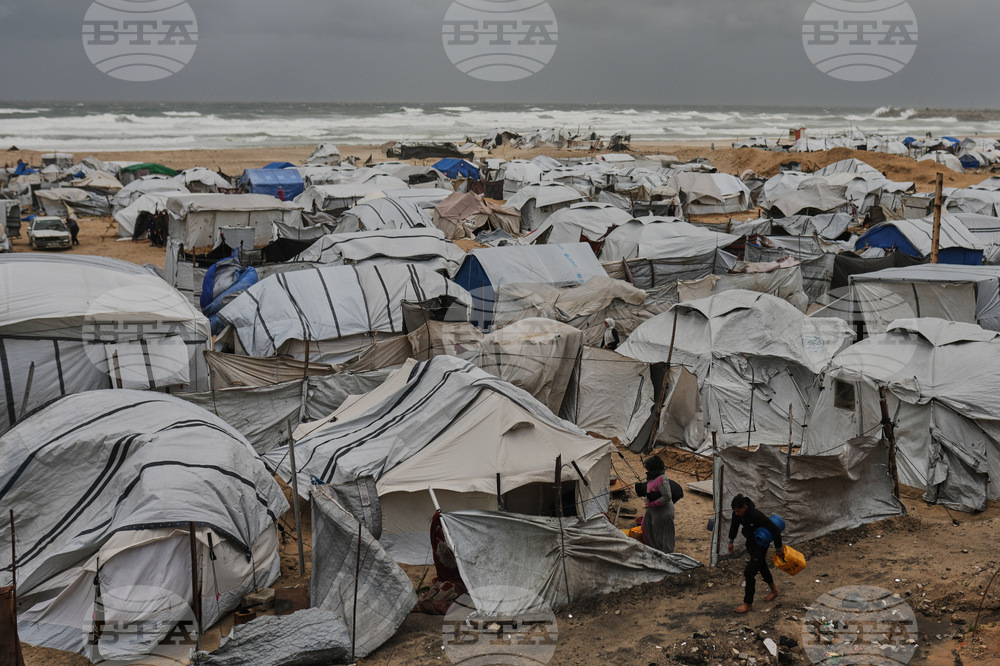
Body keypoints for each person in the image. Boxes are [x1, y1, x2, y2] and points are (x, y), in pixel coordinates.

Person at [727, 494, 784, 614]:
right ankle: (774, 590)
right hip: (751, 543)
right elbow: (734, 525)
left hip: (761, 545)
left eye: (738, 511)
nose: (736, 513)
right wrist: (731, 541)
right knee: (761, 565)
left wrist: (779, 548)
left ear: (745, 507)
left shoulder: (756, 515)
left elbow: (774, 529)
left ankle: (748, 603)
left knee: (749, 572)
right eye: (735, 511)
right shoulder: (736, 514)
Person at [634, 456, 675, 553]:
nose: (646, 470)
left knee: (662, 535)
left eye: (648, 468)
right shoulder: (653, 477)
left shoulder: (662, 479)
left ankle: (665, 555)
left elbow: (667, 496)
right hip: (653, 511)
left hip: (662, 512)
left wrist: (652, 504)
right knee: (652, 532)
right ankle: (656, 553)